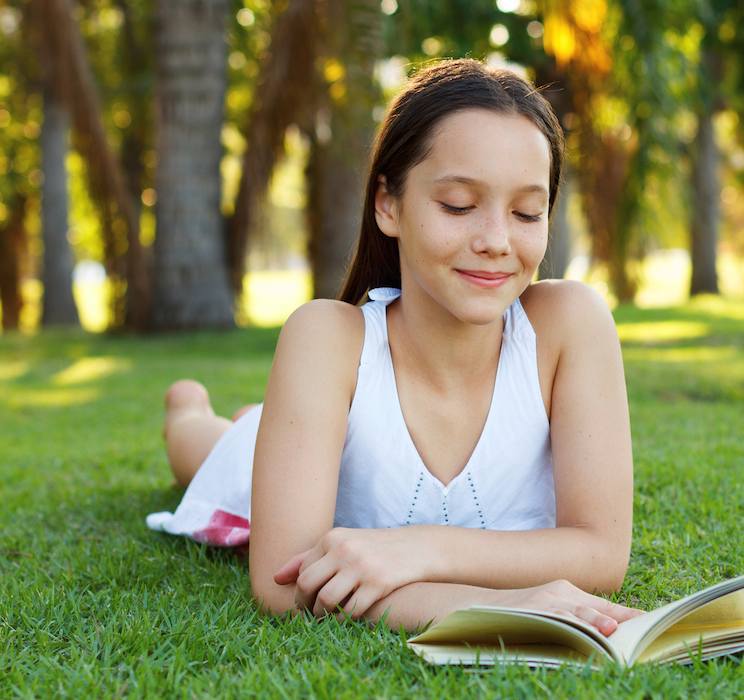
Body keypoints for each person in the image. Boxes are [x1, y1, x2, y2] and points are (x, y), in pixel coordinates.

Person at [149, 59, 638, 636]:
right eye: (458, 204)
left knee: (262, 432)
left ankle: (257, 423)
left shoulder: (571, 324)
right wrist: (500, 608)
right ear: (388, 204)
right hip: (290, 435)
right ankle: (190, 408)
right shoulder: (327, 339)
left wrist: (419, 550)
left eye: (527, 212)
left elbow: (601, 554)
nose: (497, 241)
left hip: (314, 428)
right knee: (214, 451)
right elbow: (282, 585)